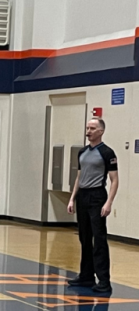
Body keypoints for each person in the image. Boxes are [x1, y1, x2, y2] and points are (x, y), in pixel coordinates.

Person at [67, 117, 119, 294]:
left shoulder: (107, 153)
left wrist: (108, 202)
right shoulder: (82, 152)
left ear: (101, 131)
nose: (88, 131)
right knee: (84, 237)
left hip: (97, 196)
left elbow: (114, 180)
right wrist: (72, 198)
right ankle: (86, 275)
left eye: (92, 128)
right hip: (83, 195)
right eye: (87, 128)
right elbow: (79, 177)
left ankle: (104, 280)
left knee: (99, 239)